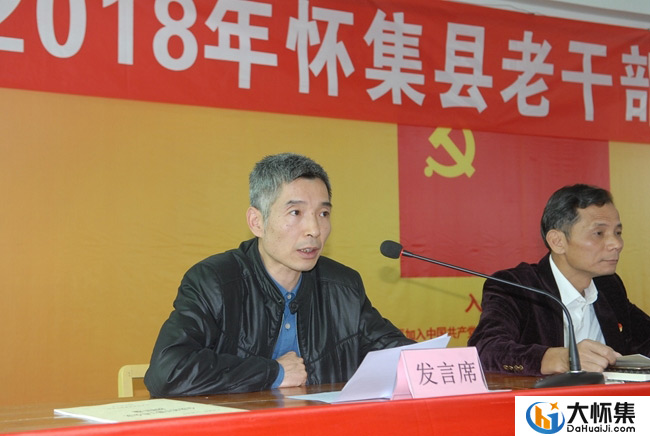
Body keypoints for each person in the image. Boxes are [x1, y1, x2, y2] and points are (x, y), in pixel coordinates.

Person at [144, 153, 414, 396]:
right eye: (295, 212)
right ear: (257, 222)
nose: (314, 229)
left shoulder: (343, 286)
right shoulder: (214, 281)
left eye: (323, 213)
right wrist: (273, 372)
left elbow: (400, 355)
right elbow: (167, 372)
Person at [468, 184, 650, 377]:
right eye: (599, 233)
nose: (616, 244)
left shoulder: (608, 285)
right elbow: (485, 350)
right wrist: (560, 358)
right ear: (557, 241)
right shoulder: (516, 287)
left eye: (618, 233)